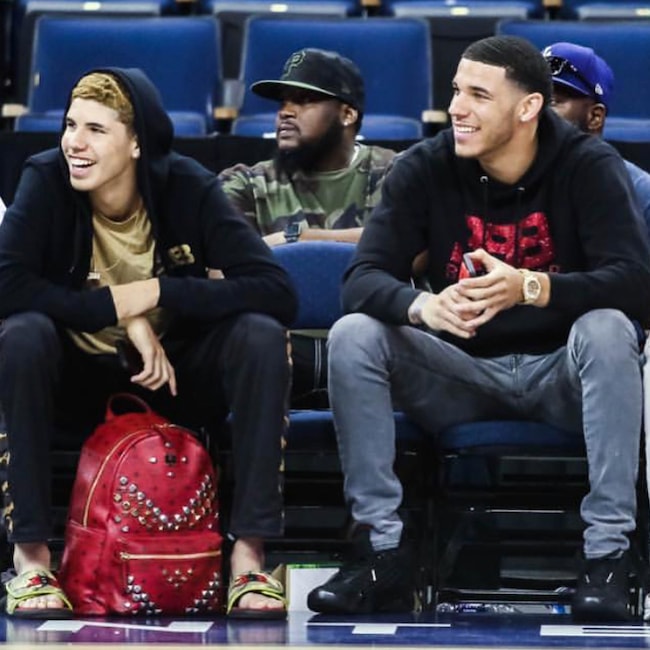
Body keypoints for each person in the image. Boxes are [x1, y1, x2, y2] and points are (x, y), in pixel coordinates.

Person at [307, 35, 650, 622]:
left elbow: (634, 283)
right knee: (355, 334)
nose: (457, 107)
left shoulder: (588, 166)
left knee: (607, 327)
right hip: (458, 371)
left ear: (527, 108)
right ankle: (380, 552)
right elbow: (361, 278)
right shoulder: (426, 165)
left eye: (477, 94)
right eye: (455, 91)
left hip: (561, 374)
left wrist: (531, 286)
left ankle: (608, 557)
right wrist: (423, 310)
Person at [0, 68, 297, 619]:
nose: (74, 142)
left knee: (260, 335)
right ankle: (31, 562)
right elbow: (9, 285)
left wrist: (158, 291)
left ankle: (250, 560)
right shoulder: (45, 178)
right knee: (21, 335)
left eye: (94, 129)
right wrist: (119, 308)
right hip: (73, 380)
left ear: (136, 143)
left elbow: (275, 290)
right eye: (69, 125)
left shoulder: (186, 185)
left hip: (172, 377)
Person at [219, 48, 396, 408]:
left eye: (304, 100)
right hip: (275, 352)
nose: (285, 111)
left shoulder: (395, 172)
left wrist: (297, 239)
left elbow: (408, 250)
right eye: (283, 102)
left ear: (347, 114)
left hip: (376, 350)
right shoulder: (245, 183)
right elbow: (223, 269)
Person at [542, 41, 650, 237]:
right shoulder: (510, 183)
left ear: (595, 117)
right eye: (533, 100)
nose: (537, 112)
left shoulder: (640, 192)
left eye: (552, 102)